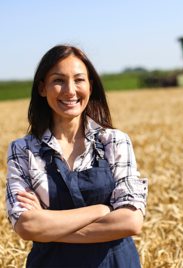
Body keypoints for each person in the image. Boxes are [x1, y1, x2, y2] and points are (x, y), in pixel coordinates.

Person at [5, 45, 148, 268]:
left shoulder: (114, 141)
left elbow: (131, 221)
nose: (70, 90)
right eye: (58, 80)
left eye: (79, 80)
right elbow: (27, 227)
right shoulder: (23, 150)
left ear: (90, 86)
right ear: (42, 88)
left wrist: (49, 227)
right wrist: (103, 210)